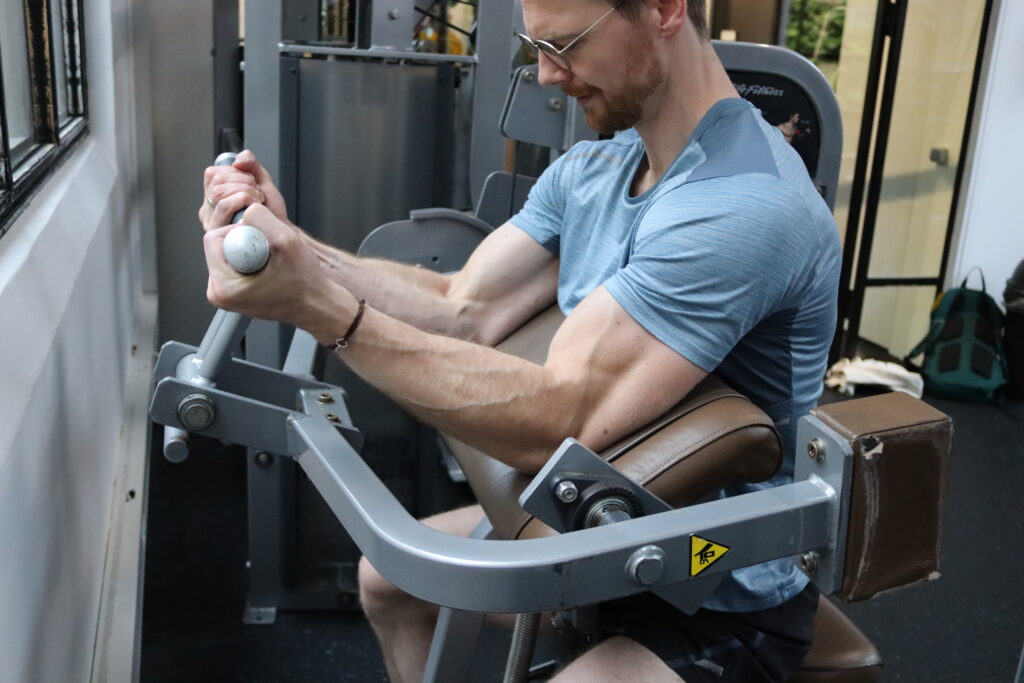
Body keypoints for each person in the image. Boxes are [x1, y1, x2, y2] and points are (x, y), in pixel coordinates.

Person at [199, 0, 842, 680]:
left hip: (714, 590)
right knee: (389, 580)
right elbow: (463, 305)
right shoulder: (599, 167)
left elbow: (562, 416)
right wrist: (291, 248)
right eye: (536, 49)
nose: (545, 76)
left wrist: (322, 309)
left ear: (663, 9)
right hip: (606, 528)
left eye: (565, 46)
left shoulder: (742, 207)